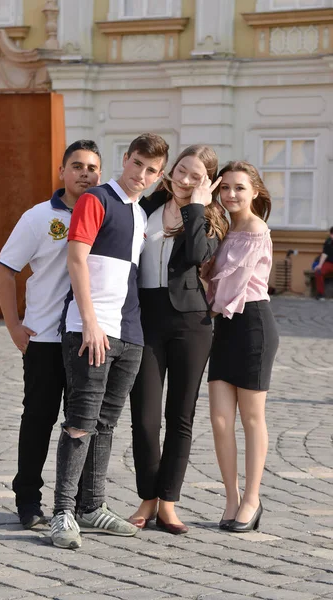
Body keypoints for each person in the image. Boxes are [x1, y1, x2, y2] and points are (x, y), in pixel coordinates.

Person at [51, 133, 170, 550]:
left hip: (130, 334)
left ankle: (93, 506)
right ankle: (63, 511)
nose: (142, 175)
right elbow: (77, 259)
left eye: (152, 171)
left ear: (159, 177)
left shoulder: (139, 214)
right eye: (137, 164)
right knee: (81, 421)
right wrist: (89, 322)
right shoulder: (95, 199)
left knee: (105, 424)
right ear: (126, 159)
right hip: (92, 329)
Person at [0, 140, 102, 529]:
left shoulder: (107, 215)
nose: (85, 173)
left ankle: (76, 505)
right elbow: (5, 268)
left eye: (92, 167)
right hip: (44, 339)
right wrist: (13, 325)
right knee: (38, 420)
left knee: (84, 425)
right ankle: (28, 501)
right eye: (77, 166)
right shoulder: (40, 217)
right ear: (62, 172)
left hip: (89, 338)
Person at [128, 145, 228, 535]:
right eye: (182, 170)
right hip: (145, 317)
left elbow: (198, 255)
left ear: (207, 181)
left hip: (190, 322)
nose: (185, 180)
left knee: (179, 416)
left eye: (196, 176)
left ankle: (167, 502)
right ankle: (146, 497)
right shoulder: (149, 204)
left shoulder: (212, 217)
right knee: (145, 417)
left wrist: (198, 206)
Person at [205, 161, 279, 533]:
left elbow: (229, 287)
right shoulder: (223, 230)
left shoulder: (254, 230)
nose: (231, 194)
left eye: (239, 188)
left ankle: (253, 498)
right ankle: (231, 497)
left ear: (255, 193)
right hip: (226, 328)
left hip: (252, 325)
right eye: (225, 188)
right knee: (219, 420)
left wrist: (204, 281)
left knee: (251, 418)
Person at [313, 226, 333, 300]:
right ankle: (320, 294)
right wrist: (320, 265)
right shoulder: (328, 242)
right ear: (331, 235)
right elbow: (324, 254)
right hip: (329, 263)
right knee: (318, 272)